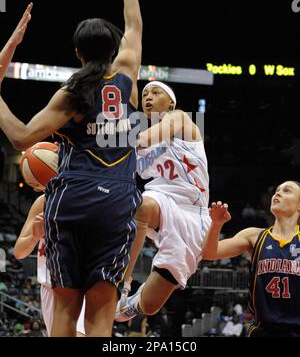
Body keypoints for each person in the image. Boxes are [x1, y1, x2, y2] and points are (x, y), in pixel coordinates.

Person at [0, 0, 144, 337]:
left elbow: (20, 137)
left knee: (65, 312)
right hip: (117, 199)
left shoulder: (72, 92)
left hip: (73, 199)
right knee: (100, 314)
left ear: (78, 54)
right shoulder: (128, 74)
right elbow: (134, 24)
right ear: (115, 48)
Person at [115, 81, 211, 321]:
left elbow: (147, 137)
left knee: (151, 305)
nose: (148, 97)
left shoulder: (179, 119)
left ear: (170, 102)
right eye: (145, 93)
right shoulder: (141, 147)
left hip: (193, 213)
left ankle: (132, 305)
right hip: (161, 200)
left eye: (156, 93)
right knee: (142, 205)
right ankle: (124, 280)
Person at [202, 180, 300, 337]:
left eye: (287, 190)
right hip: (262, 330)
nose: (278, 193)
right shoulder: (254, 236)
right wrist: (216, 224)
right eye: (277, 190)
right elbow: (210, 253)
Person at [13, 192, 85, 337]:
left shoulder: (92, 196)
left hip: (82, 283)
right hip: (49, 286)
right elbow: (19, 252)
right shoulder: (44, 200)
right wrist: (35, 236)